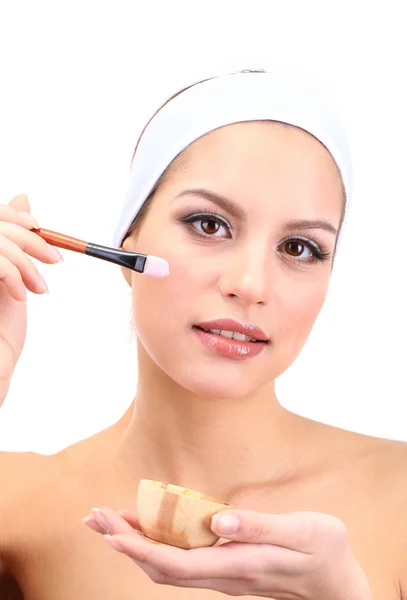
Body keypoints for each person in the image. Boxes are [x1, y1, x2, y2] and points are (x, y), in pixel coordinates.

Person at [0, 69, 405, 600]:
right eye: (209, 224)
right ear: (129, 244)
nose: (249, 285)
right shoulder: (19, 506)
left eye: (300, 248)